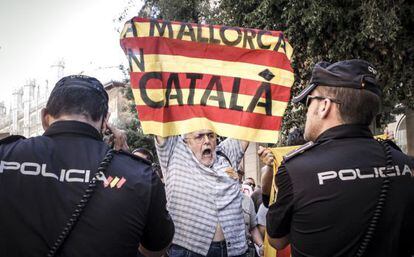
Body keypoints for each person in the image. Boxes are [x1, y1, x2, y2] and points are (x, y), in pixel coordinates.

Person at [0, 75, 174, 257]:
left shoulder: (4, 155)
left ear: (45, 117)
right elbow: (155, 249)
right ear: (105, 121)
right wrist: (125, 160)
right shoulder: (140, 175)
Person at [265, 60, 414, 256]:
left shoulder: (296, 170)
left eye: (308, 102)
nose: (306, 112)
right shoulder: (406, 164)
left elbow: (277, 240)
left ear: (325, 106)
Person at [155, 130, 249, 257]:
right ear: (186, 141)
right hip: (188, 251)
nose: (207, 141)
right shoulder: (174, 151)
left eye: (211, 136)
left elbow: (248, 127)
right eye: (199, 137)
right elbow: (160, 122)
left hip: (234, 250)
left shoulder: (225, 152)